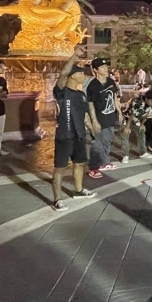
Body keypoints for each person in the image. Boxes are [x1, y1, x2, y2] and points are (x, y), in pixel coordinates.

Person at [51, 47, 97, 211]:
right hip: (65, 135)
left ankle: (78, 190)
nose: (84, 77)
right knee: (60, 168)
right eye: (82, 74)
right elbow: (63, 73)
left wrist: (91, 128)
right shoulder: (62, 92)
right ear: (74, 75)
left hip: (79, 135)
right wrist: (74, 56)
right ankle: (57, 199)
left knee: (79, 164)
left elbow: (84, 115)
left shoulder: (81, 95)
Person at [86, 57, 121, 178]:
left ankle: (104, 163)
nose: (105, 69)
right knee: (97, 143)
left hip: (110, 116)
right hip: (99, 118)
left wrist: (119, 112)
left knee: (108, 140)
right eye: (102, 67)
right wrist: (94, 120)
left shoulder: (110, 82)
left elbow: (115, 98)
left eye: (106, 67)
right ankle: (93, 167)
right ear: (95, 70)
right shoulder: (92, 86)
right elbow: (90, 104)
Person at [121, 90, 152, 161]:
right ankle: (125, 155)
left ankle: (142, 152)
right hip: (127, 118)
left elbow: (147, 114)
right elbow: (131, 114)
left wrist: (142, 124)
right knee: (125, 134)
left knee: (141, 133)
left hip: (138, 119)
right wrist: (127, 127)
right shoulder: (137, 101)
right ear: (146, 99)